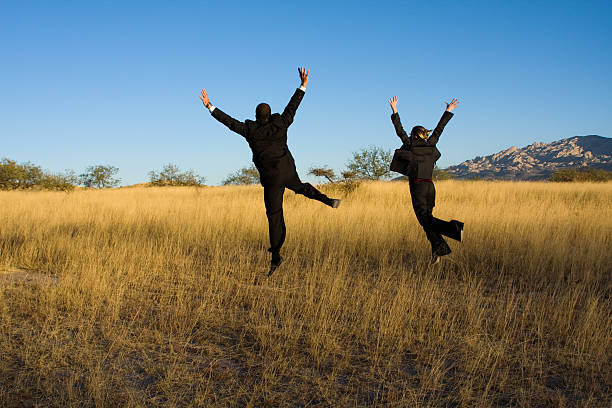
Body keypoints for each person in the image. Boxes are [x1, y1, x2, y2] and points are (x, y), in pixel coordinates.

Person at [199, 67, 340, 276]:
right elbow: (292, 107)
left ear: (256, 116)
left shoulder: (250, 130)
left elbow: (230, 123)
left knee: (274, 215)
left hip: (271, 178)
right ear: (270, 113)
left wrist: (210, 106)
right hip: (287, 170)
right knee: (301, 187)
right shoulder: (281, 124)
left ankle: (276, 256)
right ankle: (327, 200)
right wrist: (302, 86)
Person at [388, 96, 464, 264]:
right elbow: (439, 129)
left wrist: (394, 110)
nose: (408, 135)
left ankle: (454, 229)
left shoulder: (411, 145)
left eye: (410, 134)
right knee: (427, 220)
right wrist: (448, 111)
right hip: (430, 187)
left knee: (425, 219)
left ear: (414, 135)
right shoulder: (431, 145)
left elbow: (399, 131)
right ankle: (438, 250)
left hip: (418, 188)